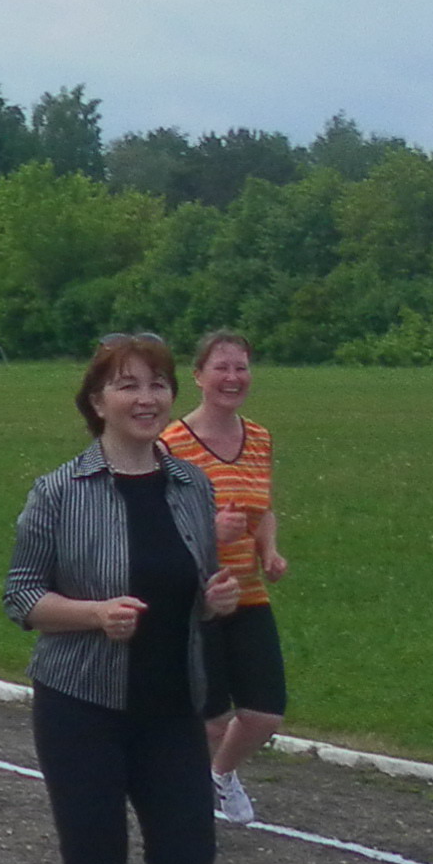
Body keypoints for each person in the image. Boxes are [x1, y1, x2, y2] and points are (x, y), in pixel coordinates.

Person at [5, 333, 240, 864]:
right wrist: (92, 615)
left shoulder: (190, 485)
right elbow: (21, 597)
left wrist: (213, 599)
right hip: (83, 700)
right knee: (96, 859)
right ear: (97, 401)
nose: (146, 398)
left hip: (170, 701)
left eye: (158, 385)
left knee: (186, 855)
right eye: (128, 385)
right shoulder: (59, 490)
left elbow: (189, 587)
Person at [160, 330, 290, 824]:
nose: (232, 378)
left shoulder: (258, 438)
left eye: (241, 368)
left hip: (249, 594)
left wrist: (269, 550)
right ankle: (179, 799)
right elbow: (156, 526)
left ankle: (220, 778)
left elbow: (264, 508)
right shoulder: (171, 444)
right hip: (196, 599)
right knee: (210, 719)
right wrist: (210, 531)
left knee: (264, 713)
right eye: (221, 368)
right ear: (198, 377)